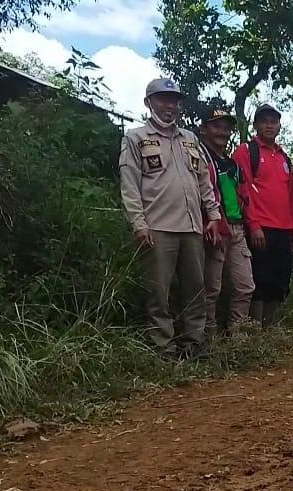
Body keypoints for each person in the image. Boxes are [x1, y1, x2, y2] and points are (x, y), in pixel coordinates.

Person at [119, 78, 221, 359]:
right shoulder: (136, 138)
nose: (170, 106)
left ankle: (194, 344)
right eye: (163, 99)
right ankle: (163, 348)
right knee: (158, 293)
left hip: (192, 227)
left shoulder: (189, 138)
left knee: (195, 289)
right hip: (158, 228)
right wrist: (138, 224)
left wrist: (213, 214)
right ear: (148, 103)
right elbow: (129, 185)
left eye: (174, 100)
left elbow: (203, 181)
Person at [231, 103, 293, 328]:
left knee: (280, 280)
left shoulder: (283, 157)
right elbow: (243, 190)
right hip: (260, 227)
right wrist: (254, 225)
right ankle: (254, 328)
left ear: (279, 126)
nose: (270, 126)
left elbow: (291, 197)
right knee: (260, 278)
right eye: (265, 121)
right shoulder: (246, 151)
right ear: (257, 125)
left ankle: (272, 328)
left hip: (285, 228)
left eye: (274, 122)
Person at [197, 106, 255, 337]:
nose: (222, 132)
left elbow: (243, 194)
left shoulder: (232, 164)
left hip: (237, 228)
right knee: (211, 288)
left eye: (226, 128)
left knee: (245, 285)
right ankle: (207, 339)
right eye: (216, 126)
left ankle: (237, 338)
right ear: (204, 129)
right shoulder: (199, 158)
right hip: (214, 228)